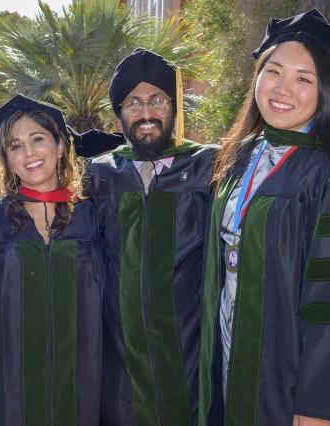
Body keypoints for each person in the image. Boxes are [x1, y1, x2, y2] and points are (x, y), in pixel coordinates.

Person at [198, 9, 330, 426]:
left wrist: (318, 405)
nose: (283, 88)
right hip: (231, 353)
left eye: (304, 78)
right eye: (273, 71)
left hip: (289, 376)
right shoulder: (242, 155)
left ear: (327, 93)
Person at [89, 48, 218, 426]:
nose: (146, 114)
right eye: (133, 104)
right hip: (120, 359)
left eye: (157, 100)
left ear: (174, 106)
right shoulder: (99, 177)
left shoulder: (209, 167)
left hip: (193, 352)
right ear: (119, 115)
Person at [0, 94, 104, 426]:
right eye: (15, 146)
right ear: (7, 159)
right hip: (6, 391)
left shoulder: (94, 216)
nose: (29, 152)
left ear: (60, 147)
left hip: (81, 387)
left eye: (37, 139)